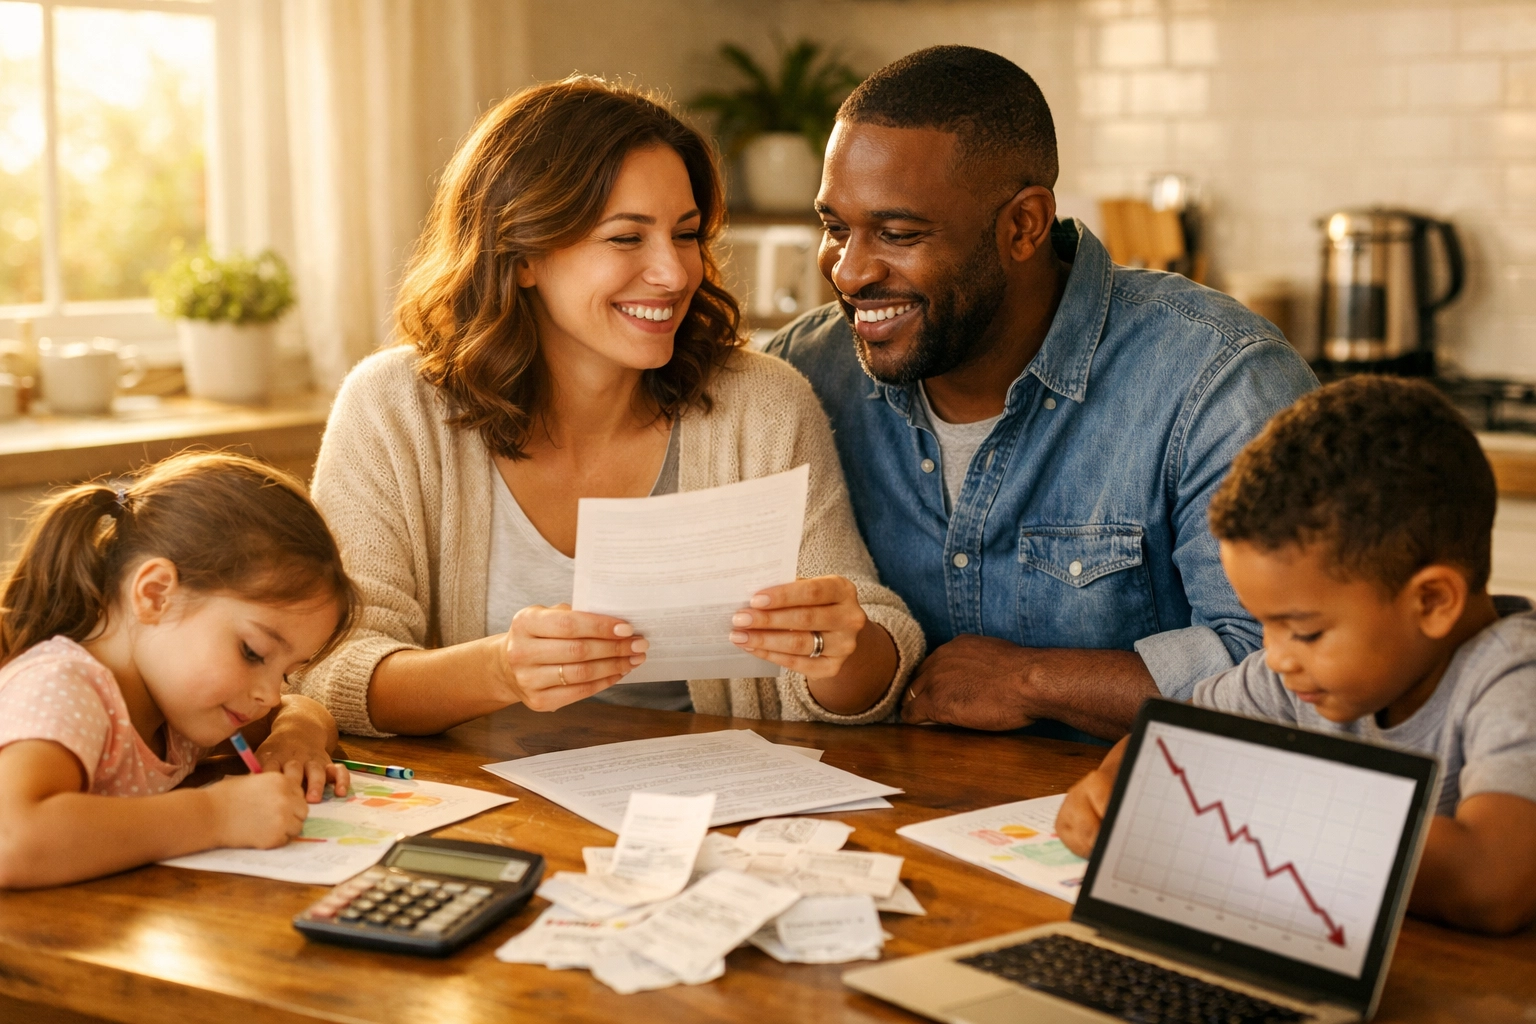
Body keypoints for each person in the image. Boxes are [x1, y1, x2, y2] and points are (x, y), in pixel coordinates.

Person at [294, 77, 924, 737]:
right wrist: (499, 670)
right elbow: (333, 668)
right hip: (483, 812)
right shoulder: (393, 410)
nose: (676, 274)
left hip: (703, 801)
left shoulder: (760, 406)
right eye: (627, 239)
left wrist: (835, 649)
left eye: (685, 236)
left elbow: (872, 657)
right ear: (524, 253)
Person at [767, 46, 1316, 742]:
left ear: (1023, 226)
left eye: (897, 234)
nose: (848, 271)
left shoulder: (1221, 381)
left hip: (1130, 827)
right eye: (835, 228)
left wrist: (1034, 681)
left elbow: (1294, 673)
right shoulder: (802, 376)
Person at [1056, 378, 1536, 935]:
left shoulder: (1513, 677)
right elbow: (1169, 742)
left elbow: (1491, 882)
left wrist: (1256, 824)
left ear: (1431, 601)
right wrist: (1114, 787)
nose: (1276, 657)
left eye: (1304, 631)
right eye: (1265, 624)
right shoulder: (1297, 676)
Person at [0, 452, 355, 889]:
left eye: (286, 671)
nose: (268, 694)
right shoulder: (66, 686)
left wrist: (295, 738)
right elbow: (12, 838)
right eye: (254, 652)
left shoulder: (179, 706)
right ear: (155, 595)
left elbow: (299, 708)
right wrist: (216, 816)